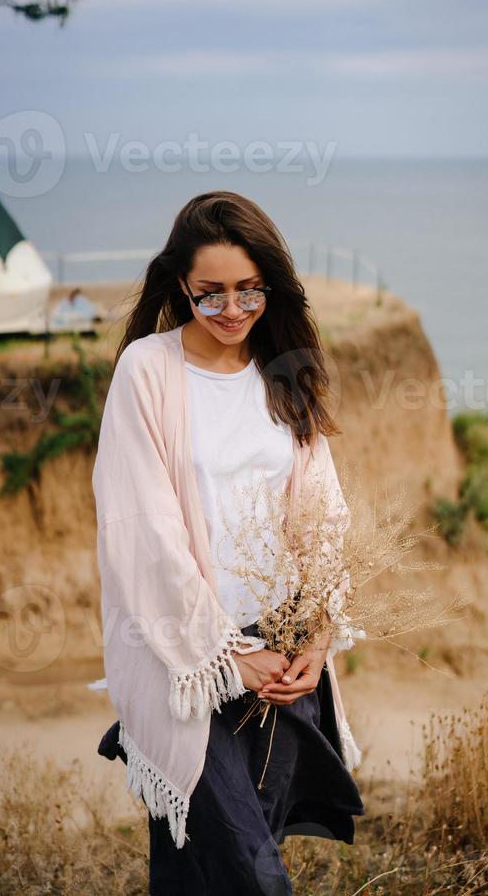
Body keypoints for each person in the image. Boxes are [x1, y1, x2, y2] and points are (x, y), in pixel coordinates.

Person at [88, 190, 365, 895]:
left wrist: (317, 634)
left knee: (199, 871)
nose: (233, 310)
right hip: (189, 662)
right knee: (251, 872)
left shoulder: (285, 372)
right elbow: (141, 532)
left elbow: (323, 514)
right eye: (210, 295)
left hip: (282, 655)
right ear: (180, 284)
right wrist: (228, 656)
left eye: (250, 290)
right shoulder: (147, 372)